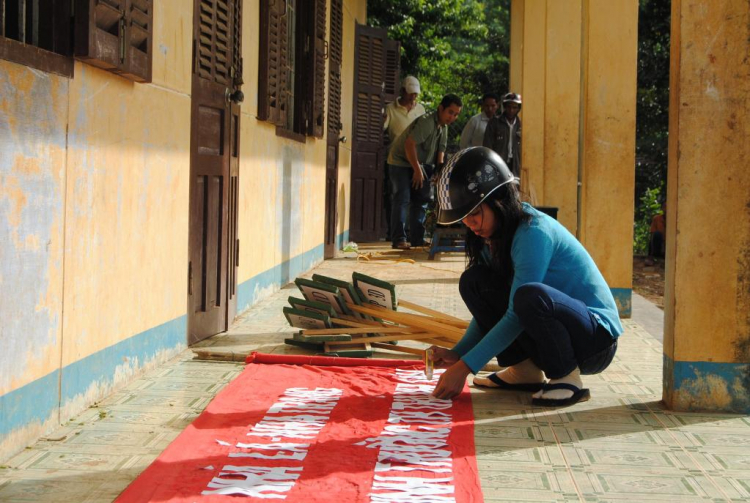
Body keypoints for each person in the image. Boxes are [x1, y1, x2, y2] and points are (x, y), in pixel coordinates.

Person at [429, 147, 622, 406]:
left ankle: (567, 378)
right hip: (558, 328)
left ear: (498, 200)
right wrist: (458, 353)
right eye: (464, 219)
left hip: (595, 341)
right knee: (474, 281)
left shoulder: (533, 232)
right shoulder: (493, 238)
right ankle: (524, 371)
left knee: (530, 296)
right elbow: (492, 311)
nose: (470, 224)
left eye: (475, 214)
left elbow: (517, 312)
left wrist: (465, 368)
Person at [387, 94, 462, 249]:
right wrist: (417, 169)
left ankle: (417, 239)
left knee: (422, 200)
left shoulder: (444, 128)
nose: (452, 117)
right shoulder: (427, 121)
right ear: (440, 108)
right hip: (400, 161)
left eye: (456, 114)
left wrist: (439, 173)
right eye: (450, 112)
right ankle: (399, 239)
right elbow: (409, 144)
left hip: (421, 164)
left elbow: (440, 152)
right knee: (402, 198)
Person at [383, 76, 426, 241]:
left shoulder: (421, 110)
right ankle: (398, 236)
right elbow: (381, 129)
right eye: (410, 94)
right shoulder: (390, 109)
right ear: (402, 91)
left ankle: (413, 235)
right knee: (400, 197)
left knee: (418, 198)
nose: (413, 98)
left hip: (415, 160)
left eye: (416, 94)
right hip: (397, 159)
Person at [483, 92, 522, 177]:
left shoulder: (522, 125)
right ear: (504, 107)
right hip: (498, 164)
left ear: (518, 109)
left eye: (514, 107)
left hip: (516, 165)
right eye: (509, 107)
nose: (511, 110)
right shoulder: (494, 123)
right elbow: (487, 145)